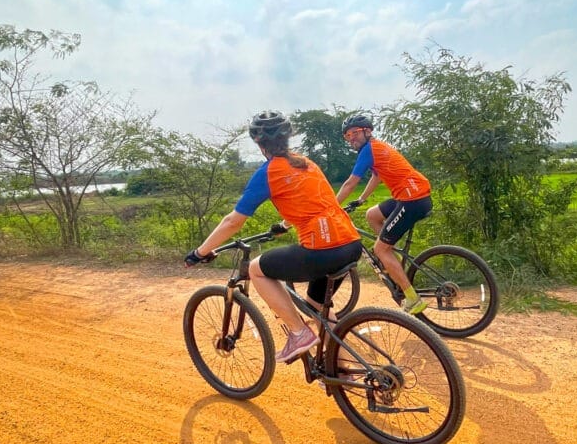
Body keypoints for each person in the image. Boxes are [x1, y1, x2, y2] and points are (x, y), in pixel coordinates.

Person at [185, 110, 362, 363]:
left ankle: (299, 333)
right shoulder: (306, 163)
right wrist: (285, 224)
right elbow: (316, 202)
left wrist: (200, 252)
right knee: (316, 305)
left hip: (321, 249)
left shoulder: (268, 172)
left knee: (257, 269)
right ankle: (345, 367)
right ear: (288, 137)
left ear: (258, 142)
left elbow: (233, 221)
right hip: (350, 243)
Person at [334, 114, 432, 315]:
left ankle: (412, 298)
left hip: (412, 199)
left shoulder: (368, 150)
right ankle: (391, 257)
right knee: (372, 215)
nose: (351, 138)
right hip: (414, 195)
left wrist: (331, 207)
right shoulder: (377, 147)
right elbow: (377, 175)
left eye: (354, 133)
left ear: (367, 131)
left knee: (380, 250)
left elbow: (350, 182)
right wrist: (361, 199)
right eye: (347, 136)